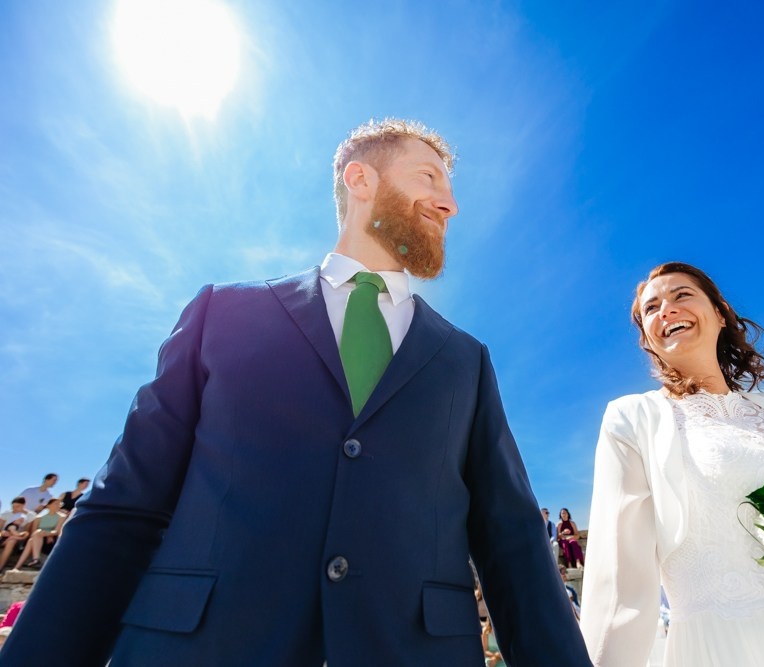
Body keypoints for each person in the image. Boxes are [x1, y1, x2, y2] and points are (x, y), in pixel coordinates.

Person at [0, 119, 590, 666]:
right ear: (360, 179)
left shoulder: (467, 359)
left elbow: (512, 541)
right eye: (429, 177)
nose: (451, 203)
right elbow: (124, 507)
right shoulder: (220, 314)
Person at [580, 262, 764, 666]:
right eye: (651, 308)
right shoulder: (634, 417)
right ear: (647, 340)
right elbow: (620, 578)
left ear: (720, 312)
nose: (666, 310)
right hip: (731, 647)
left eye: (682, 295)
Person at [12, 498, 66, 570]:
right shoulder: (38, 518)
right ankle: (21, 565)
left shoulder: (62, 517)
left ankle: (29, 561)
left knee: (34, 536)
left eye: (59, 504)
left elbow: (56, 531)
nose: (58, 506)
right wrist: (42, 533)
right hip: (38, 539)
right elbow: (33, 532)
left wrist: (48, 534)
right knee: (32, 539)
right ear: (48, 505)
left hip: (50, 541)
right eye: (56, 503)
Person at [0, 498, 35, 570]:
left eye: (17, 506)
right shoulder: (6, 514)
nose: (14, 509)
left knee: (11, 541)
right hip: (3, 536)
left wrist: (15, 536)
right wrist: (2, 533)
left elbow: (27, 531)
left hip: (17, 540)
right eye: (13, 506)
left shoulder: (29, 515)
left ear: (23, 505)